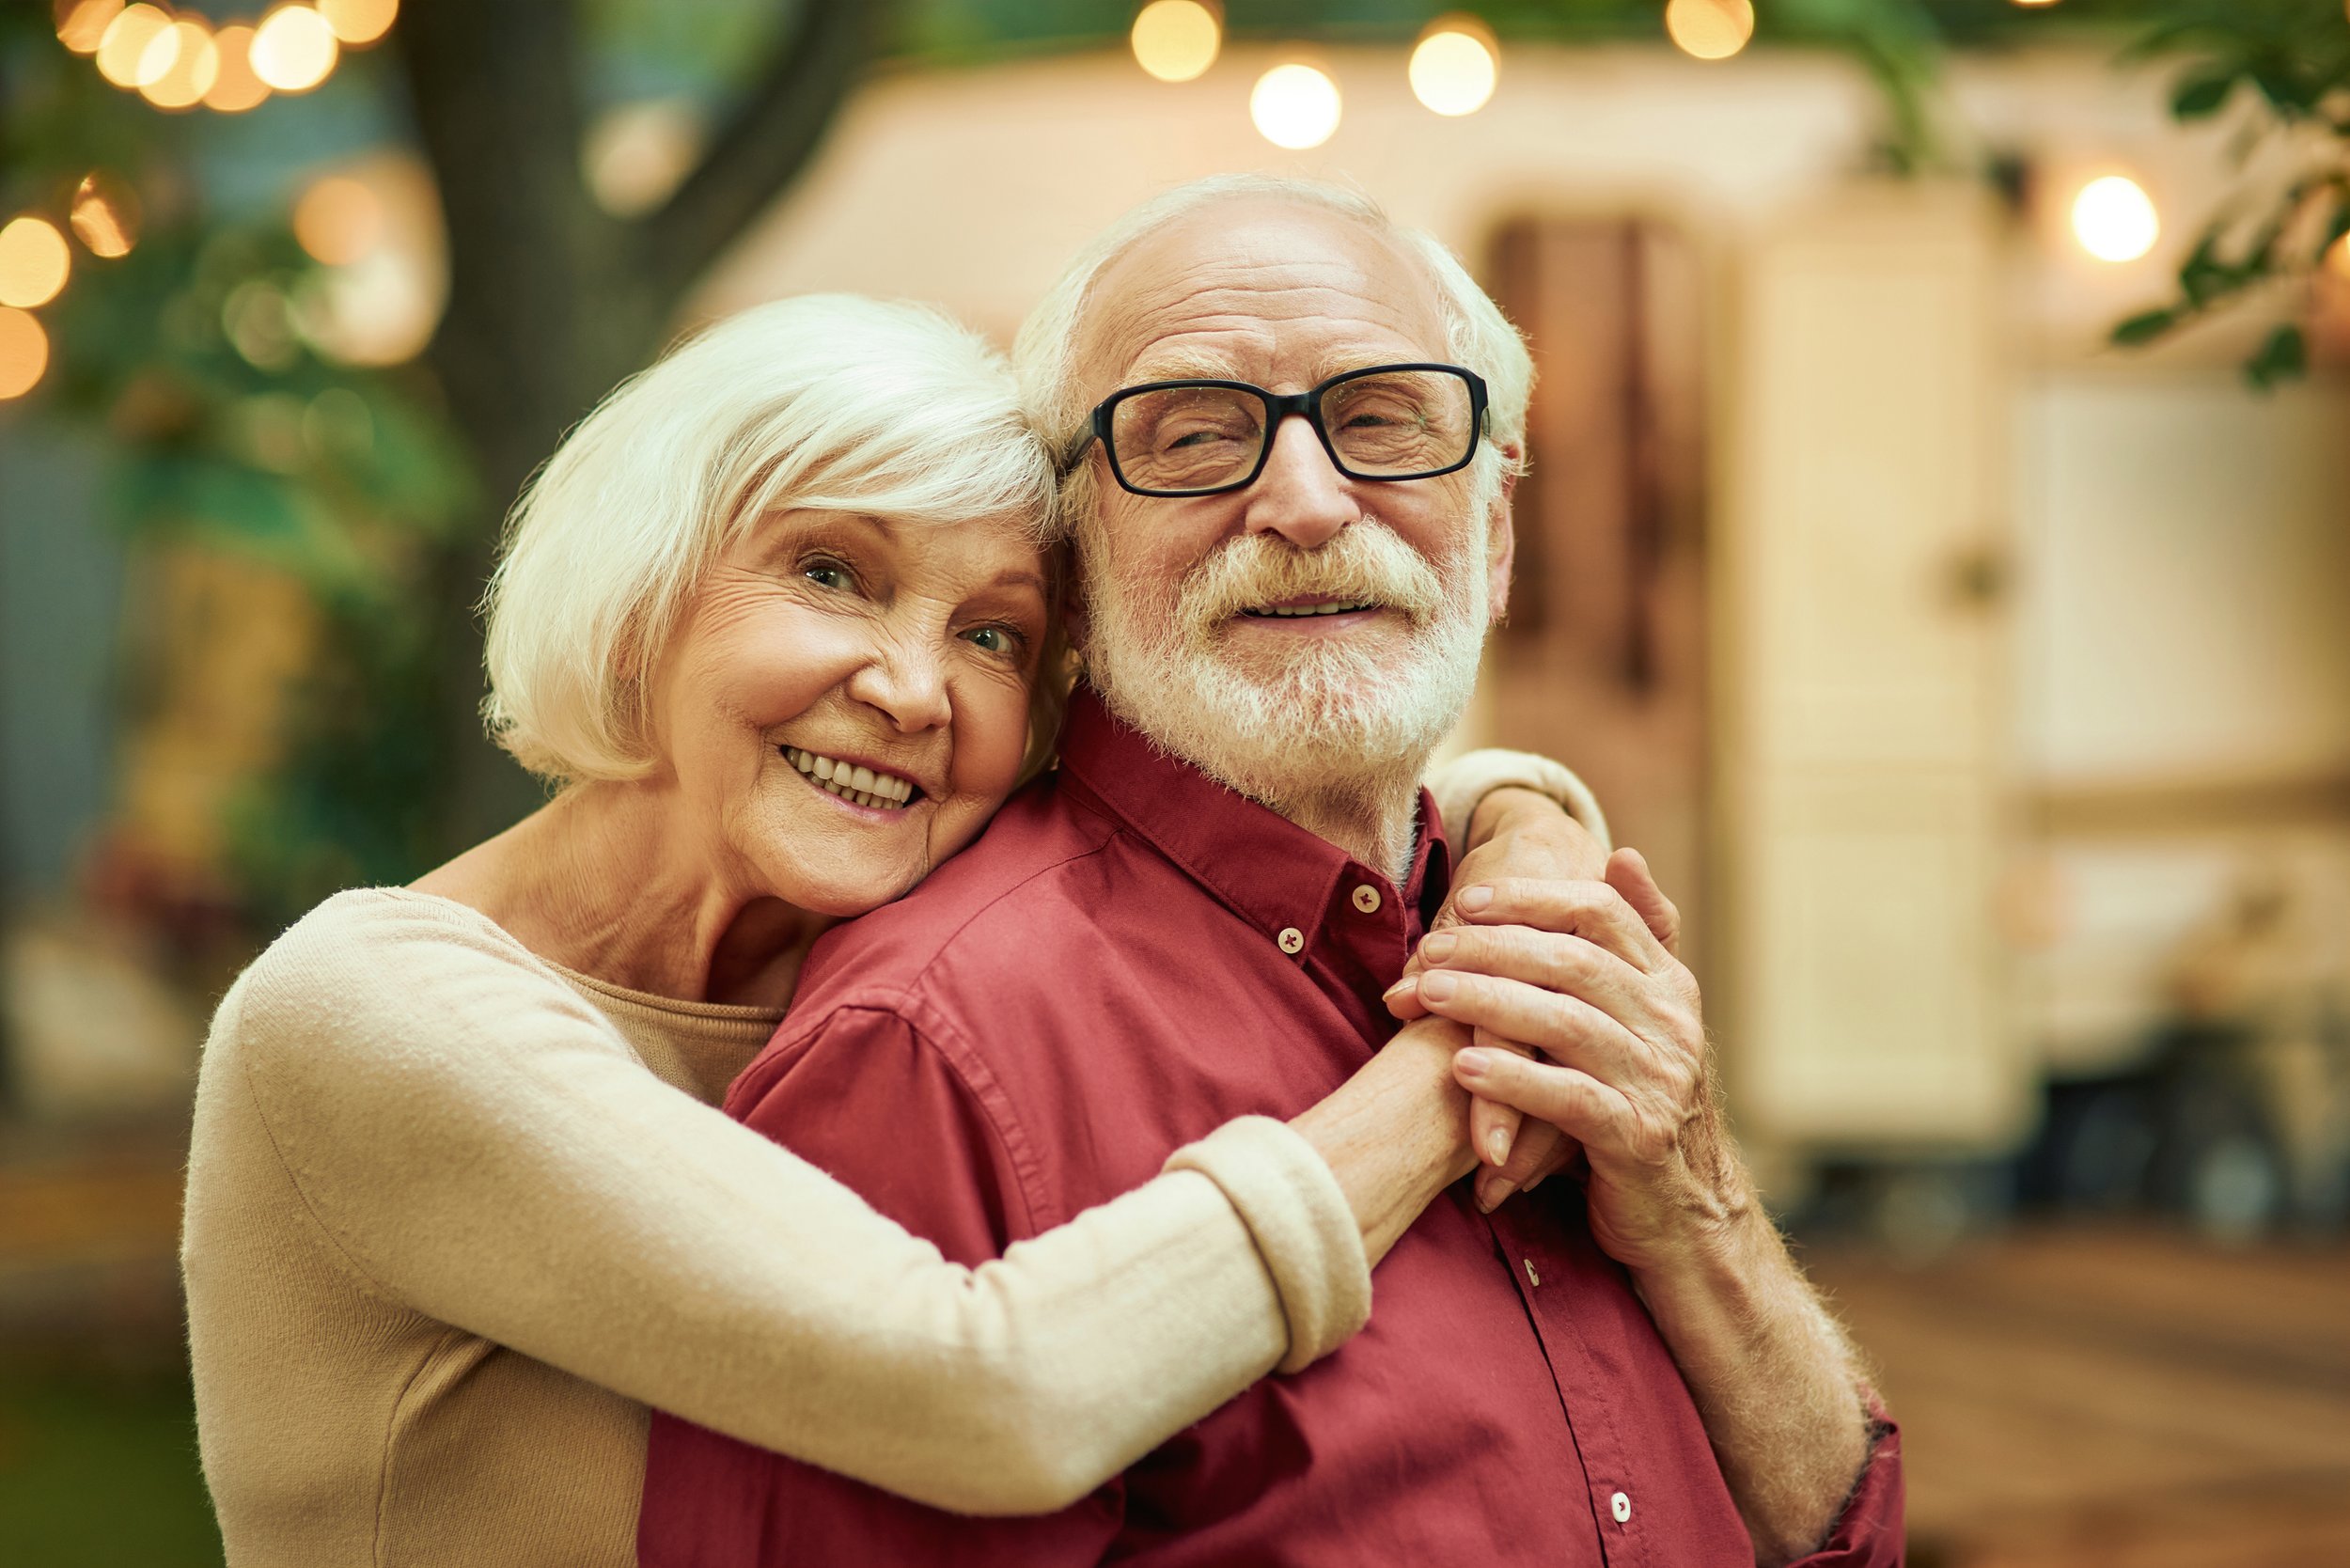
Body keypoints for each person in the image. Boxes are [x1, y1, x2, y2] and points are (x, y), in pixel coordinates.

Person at [179, 294, 1617, 1568]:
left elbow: (1388, 804)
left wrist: (1525, 825)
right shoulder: (371, 1011)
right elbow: (996, 1392)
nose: (914, 691)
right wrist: (1460, 1069)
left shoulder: (865, 936)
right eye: (830, 575)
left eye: (992, 635)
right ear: (642, 592)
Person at [637, 179, 1904, 1568]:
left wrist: (1702, 1204)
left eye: (1380, 421)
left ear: (1495, 536)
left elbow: (1844, 1530)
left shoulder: (1570, 945)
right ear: (1075, 556)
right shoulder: (932, 1051)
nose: (1303, 502)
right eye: (1192, 438)